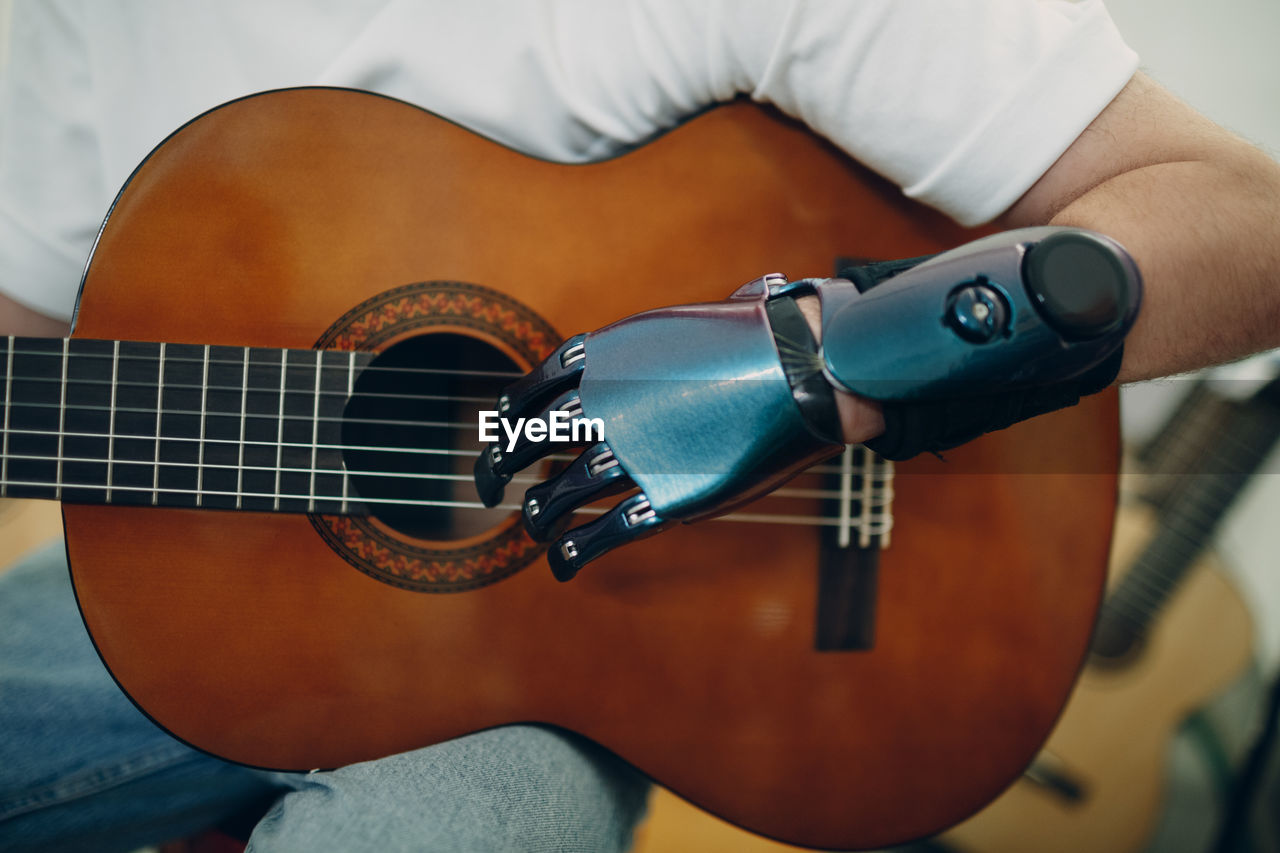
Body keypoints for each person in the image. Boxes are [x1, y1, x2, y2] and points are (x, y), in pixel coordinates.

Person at [1, 1, 1278, 851]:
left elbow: (1244, 222)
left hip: (584, 655)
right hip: (226, 589)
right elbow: (41, 348)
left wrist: (809, 370)